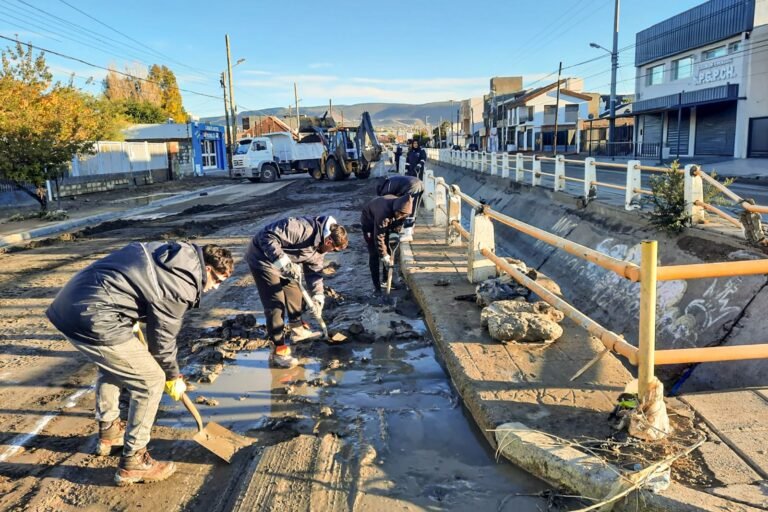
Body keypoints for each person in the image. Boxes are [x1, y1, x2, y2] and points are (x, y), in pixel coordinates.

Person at [46, 241, 234, 486]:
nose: (215, 288)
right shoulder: (182, 286)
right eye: (217, 280)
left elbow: (135, 279)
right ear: (207, 269)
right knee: (151, 381)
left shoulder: (171, 255)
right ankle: (134, 462)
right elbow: (162, 342)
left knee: (115, 363)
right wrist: (172, 377)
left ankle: (110, 432)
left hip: (73, 303)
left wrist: (128, 310)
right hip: (94, 316)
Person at [245, 216, 348, 369]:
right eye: (333, 249)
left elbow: (314, 273)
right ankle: (278, 350)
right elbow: (266, 236)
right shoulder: (300, 228)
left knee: (295, 293)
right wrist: (283, 261)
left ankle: (298, 330)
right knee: (275, 303)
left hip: (286, 264)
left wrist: (318, 297)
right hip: (263, 259)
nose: (331, 252)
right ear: (328, 242)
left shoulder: (320, 249)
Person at [361, 195, 413, 294]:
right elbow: (379, 236)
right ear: (396, 209)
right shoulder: (383, 213)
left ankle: (386, 280)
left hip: (386, 221)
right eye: (399, 213)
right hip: (370, 222)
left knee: (388, 250)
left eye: (403, 215)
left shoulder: (404, 211)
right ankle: (377, 287)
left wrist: (394, 234)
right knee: (374, 254)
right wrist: (383, 255)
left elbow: (398, 223)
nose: (400, 216)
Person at [376, 175, 424, 242]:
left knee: (407, 208)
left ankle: (408, 235)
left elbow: (390, 205)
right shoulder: (391, 181)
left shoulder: (385, 190)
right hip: (419, 183)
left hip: (411, 185)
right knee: (414, 207)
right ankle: (411, 229)